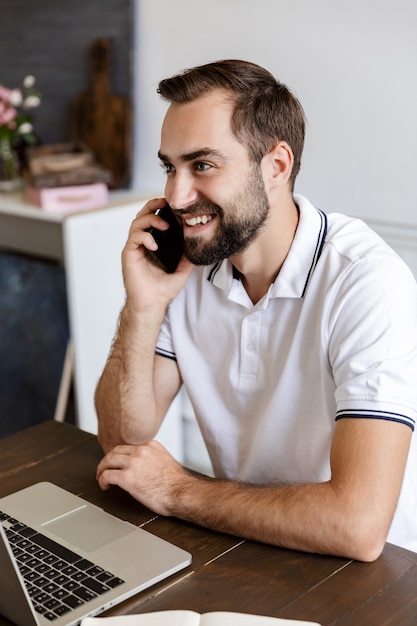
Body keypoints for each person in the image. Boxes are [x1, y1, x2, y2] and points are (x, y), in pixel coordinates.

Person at [95, 59, 417, 562]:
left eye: (202, 165)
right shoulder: (191, 264)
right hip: (243, 541)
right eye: (169, 167)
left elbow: (356, 526)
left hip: (368, 579)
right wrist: (142, 307)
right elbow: (121, 440)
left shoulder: (367, 283)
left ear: (276, 165)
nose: (177, 196)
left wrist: (178, 491)